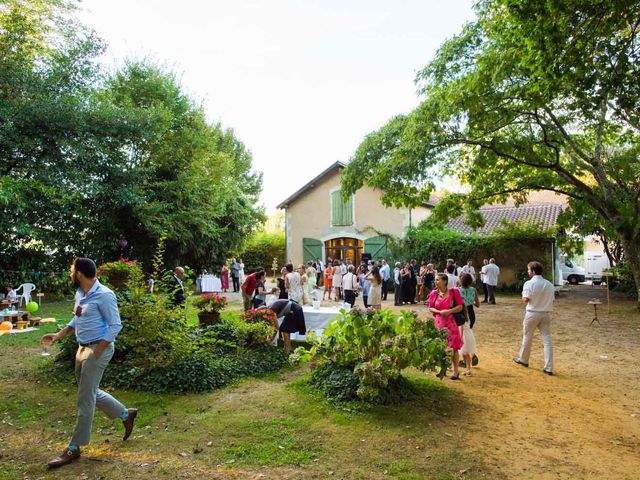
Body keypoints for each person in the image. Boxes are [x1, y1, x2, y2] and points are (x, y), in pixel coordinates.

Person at [41, 258, 137, 469]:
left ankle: (74, 447)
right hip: (82, 349)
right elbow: (77, 318)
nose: (70, 273)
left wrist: (99, 349)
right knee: (89, 391)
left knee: (85, 398)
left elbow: (115, 325)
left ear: (80, 274)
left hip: (97, 350)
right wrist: (58, 335)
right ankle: (124, 414)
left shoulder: (104, 295)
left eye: (72, 270)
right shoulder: (81, 294)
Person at [513, 261, 555, 375]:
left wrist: (523, 296)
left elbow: (526, 299)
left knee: (527, 336)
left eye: (528, 269)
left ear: (533, 271)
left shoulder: (529, 283)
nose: (528, 271)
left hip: (532, 312)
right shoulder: (549, 284)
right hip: (546, 313)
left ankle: (524, 359)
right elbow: (552, 299)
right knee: (547, 340)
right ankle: (549, 367)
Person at [428, 273, 464, 380]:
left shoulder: (454, 292)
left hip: (451, 324)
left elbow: (460, 307)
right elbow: (430, 307)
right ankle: (442, 369)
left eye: (438, 280)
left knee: (453, 348)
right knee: (440, 347)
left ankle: (456, 371)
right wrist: (439, 311)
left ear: (445, 281)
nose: (435, 282)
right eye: (435, 280)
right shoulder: (434, 293)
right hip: (438, 323)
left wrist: (449, 311)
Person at [458, 273, 479, 370]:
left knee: (463, 334)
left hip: (461, 311)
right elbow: (477, 304)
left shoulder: (458, 290)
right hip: (471, 312)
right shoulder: (473, 290)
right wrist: (471, 301)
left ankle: (465, 357)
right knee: (468, 332)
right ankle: (472, 354)